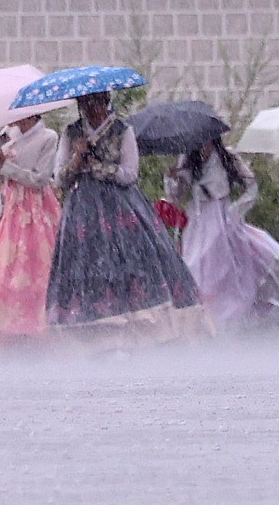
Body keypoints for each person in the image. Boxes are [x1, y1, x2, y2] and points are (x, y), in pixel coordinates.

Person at [50, 92, 210, 351]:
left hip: (120, 208)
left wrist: (99, 167)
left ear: (106, 102)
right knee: (89, 270)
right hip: (83, 211)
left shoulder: (122, 131)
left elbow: (129, 174)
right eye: (87, 104)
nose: (93, 110)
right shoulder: (71, 134)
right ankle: (96, 338)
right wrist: (78, 160)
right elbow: (59, 178)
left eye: (98, 103)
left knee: (130, 265)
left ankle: (143, 329)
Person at [164, 138, 279, 328]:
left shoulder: (227, 157)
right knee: (194, 265)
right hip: (197, 219)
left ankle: (224, 317)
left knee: (219, 267)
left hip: (221, 218)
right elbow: (176, 195)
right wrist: (172, 178)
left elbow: (251, 186)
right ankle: (203, 318)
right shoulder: (187, 159)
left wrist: (236, 211)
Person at [0, 115, 61, 340]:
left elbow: (40, 179)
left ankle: (39, 323)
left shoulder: (47, 137)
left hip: (36, 209)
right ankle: (6, 326)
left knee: (37, 264)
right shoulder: (5, 136)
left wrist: (7, 167)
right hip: (8, 208)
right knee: (4, 266)